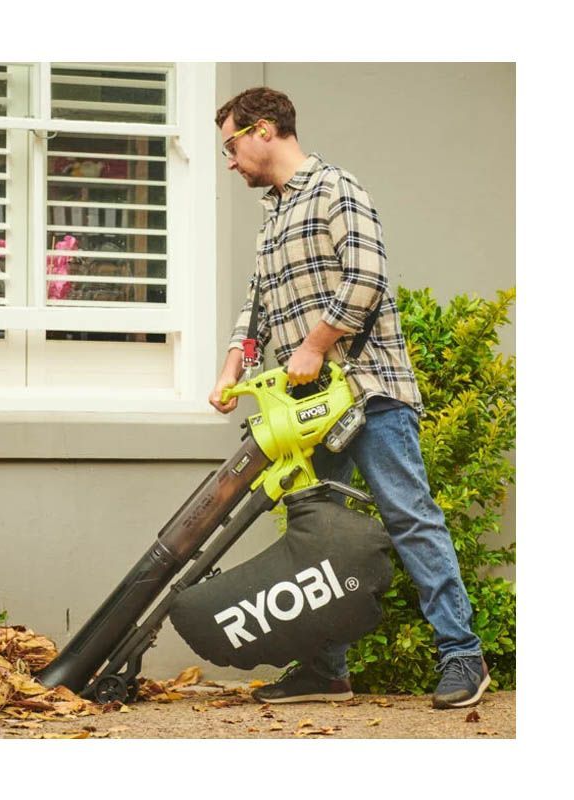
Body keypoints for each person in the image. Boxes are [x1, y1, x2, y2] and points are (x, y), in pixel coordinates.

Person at [209, 87, 489, 710]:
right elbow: (256, 309)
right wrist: (232, 369)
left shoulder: (336, 187)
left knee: (410, 518)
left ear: (262, 129)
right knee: (318, 536)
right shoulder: (272, 216)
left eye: (231, 145)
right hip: (310, 413)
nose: (229, 161)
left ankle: (462, 654)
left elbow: (367, 277)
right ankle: (325, 671)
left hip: (369, 393)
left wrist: (314, 345)